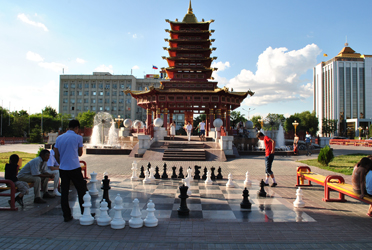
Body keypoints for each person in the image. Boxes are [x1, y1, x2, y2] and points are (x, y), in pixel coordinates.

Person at [54, 119, 87, 222]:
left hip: (63, 169)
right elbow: (80, 153)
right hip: (74, 167)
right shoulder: (78, 137)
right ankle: (85, 212)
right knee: (81, 190)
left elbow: (56, 153)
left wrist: (61, 162)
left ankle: (66, 215)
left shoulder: (59, 138)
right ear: (76, 128)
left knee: (64, 192)